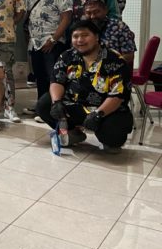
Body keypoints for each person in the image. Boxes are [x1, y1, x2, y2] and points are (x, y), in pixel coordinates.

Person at [36, 20, 134, 153]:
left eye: (85, 35)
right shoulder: (67, 56)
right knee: (44, 105)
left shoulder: (115, 60)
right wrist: (56, 102)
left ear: (97, 37)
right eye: (75, 36)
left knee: (113, 139)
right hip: (74, 105)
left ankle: (107, 137)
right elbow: (57, 81)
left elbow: (117, 95)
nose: (80, 40)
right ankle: (73, 133)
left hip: (105, 110)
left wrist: (98, 114)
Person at [24, 0, 72, 113]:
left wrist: (53, 39)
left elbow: (66, 18)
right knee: (39, 76)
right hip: (35, 43)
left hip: (53, 42)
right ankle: (41, 107)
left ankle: (54, 108)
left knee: (54, 77)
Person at [83, 0, 136, 64]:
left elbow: (129, 56)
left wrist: (105, 65)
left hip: (113, 67)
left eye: (96, 12)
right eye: (88, 13)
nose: (92, 16)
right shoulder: (81, 29)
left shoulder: (119, 27)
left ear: (105, 10)